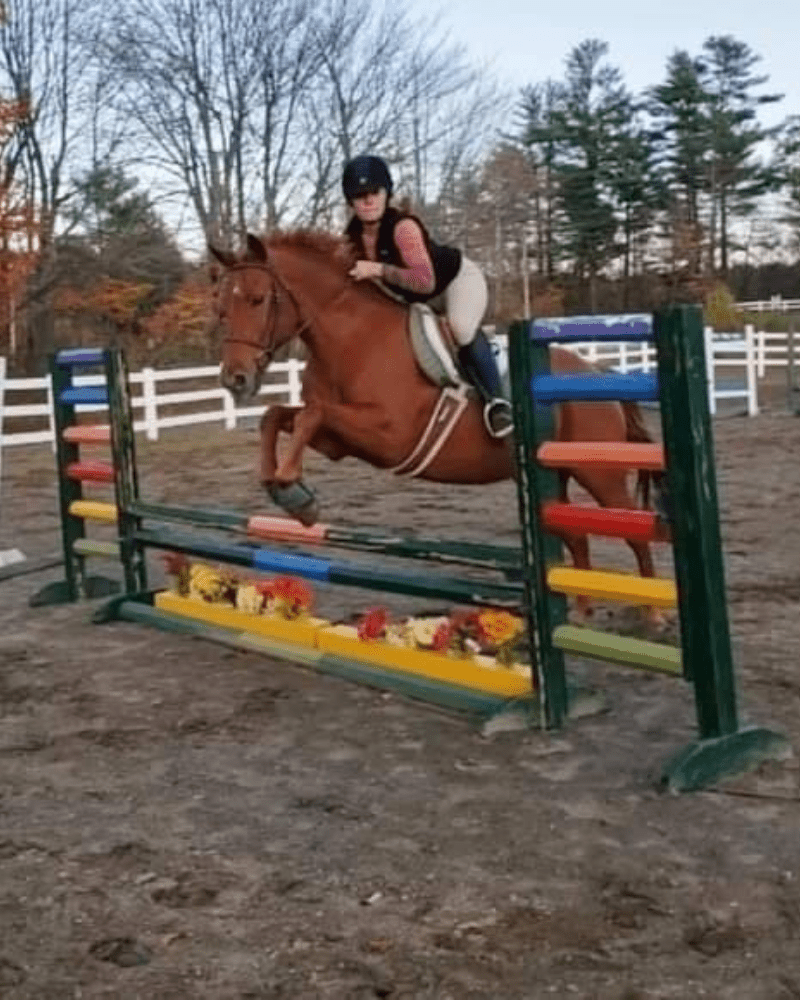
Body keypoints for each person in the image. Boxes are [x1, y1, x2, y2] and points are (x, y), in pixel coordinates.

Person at [341, 153, 513, 439]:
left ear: (386, 194)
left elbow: (424, 280)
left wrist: (379, 269)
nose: (368, 200)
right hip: (418, 299)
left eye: (374, 192)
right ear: (351, 201)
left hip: (455, 282)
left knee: (459, 327)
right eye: (360, 196)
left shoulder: (403, 228)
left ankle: (498, 403)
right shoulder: (351, 239)